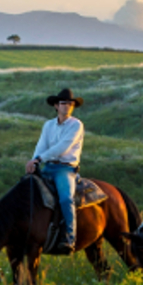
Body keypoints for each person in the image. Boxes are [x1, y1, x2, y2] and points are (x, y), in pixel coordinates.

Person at [26, 88, 86, 248]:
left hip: (65, 169)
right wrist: (33, 162)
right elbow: (41, 145)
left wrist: (39, 159)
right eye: (63, 103)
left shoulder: (76, 125)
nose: (67, 106)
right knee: (27, 190)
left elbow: (63, 147)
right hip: (48, 166)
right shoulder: (48, 125)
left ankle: (70, 237)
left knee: (66, 198)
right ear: (56, 106)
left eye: (70, 104)